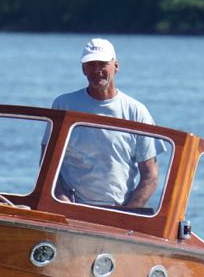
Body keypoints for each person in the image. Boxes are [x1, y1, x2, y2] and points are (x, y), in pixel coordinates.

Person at [50, 38, 160, 208]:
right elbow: (48, 160)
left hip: (117, 209)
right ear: (83, 69)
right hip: (68, 207)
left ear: (116, 66)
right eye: (91, 64)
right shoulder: (63, 104)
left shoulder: (136, 111)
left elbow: (150, 175)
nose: (97, 70)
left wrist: (128, 214)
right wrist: (61, 198)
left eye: (102, 64)